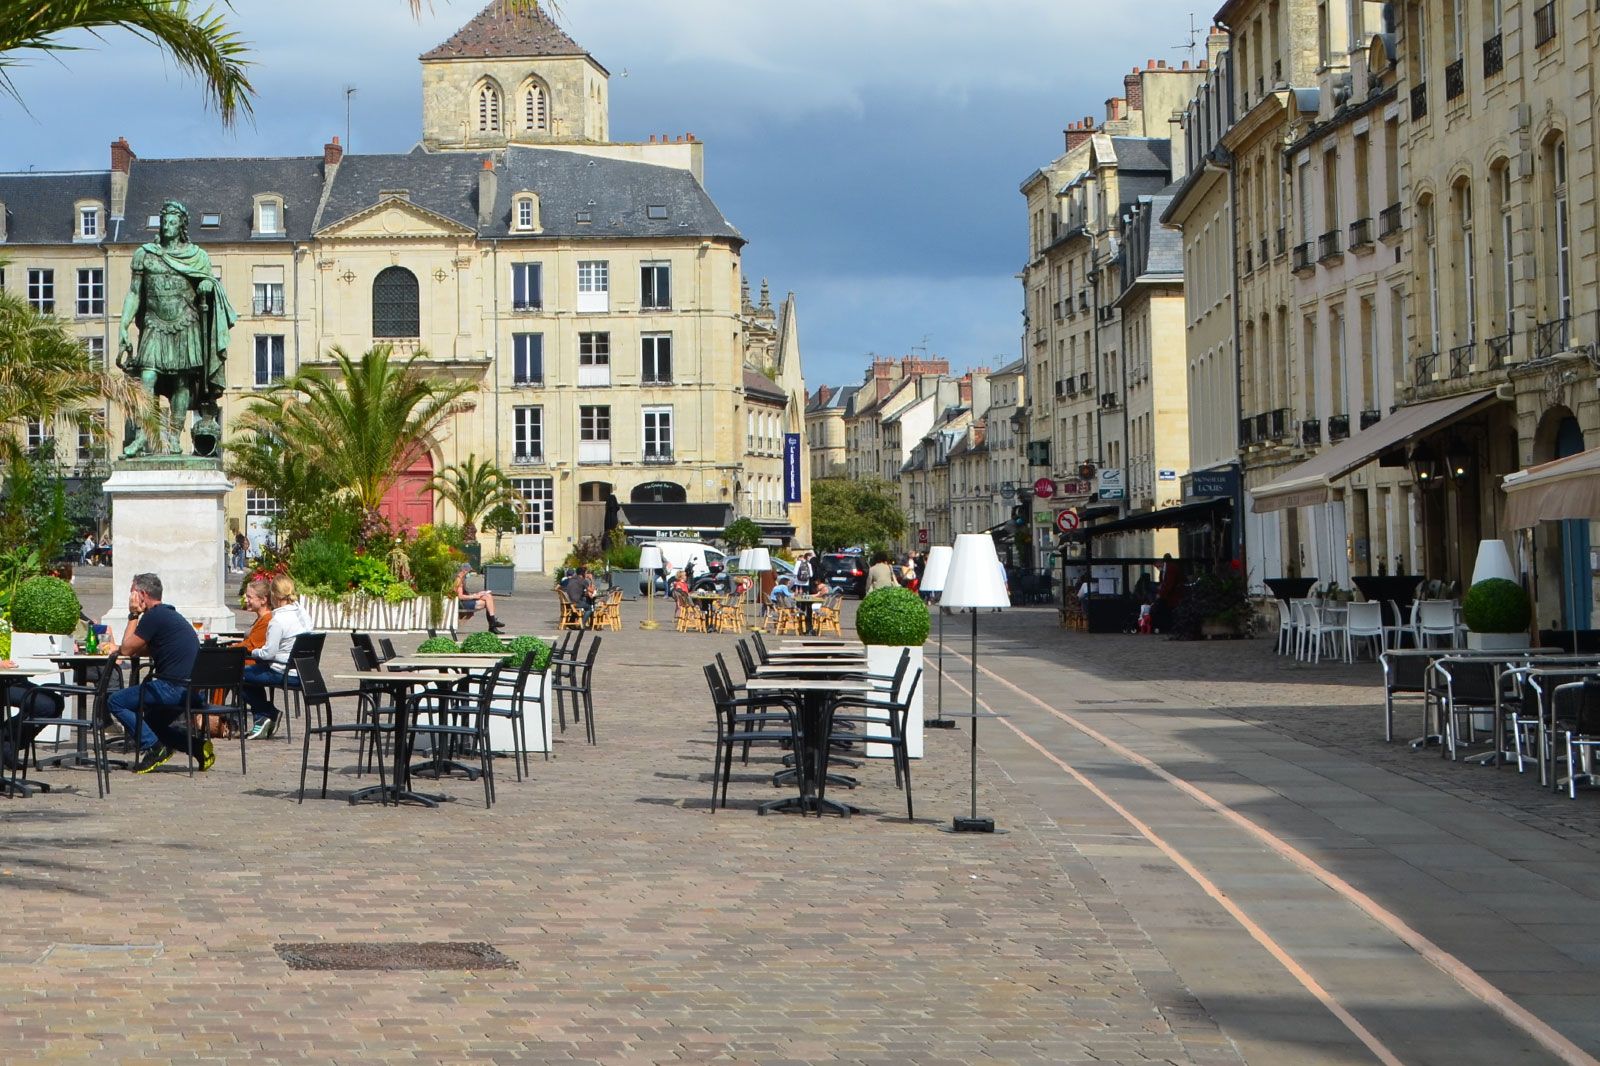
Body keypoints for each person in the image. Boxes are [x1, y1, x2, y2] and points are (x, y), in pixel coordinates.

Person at [117, 199, 237, 457]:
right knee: (147, 377)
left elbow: (210, 285)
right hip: (153, 323)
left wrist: (207, 285)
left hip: (185, 322)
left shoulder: (197, 257)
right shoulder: (145, 254)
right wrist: (123, 325)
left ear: (182, 225)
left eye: (173, 222)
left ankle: (173, 438)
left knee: (181, 383)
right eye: (164, 222)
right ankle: (144, 436)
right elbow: (134, 293)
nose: (167, 226)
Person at [103, 572, 208, 773]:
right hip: (191, 691)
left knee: (116, 701)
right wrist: (122, 646)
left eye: (132, 592)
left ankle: (153, 747)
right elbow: (141, 648)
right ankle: (197, 747)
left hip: (173, 687)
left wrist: (133, 614)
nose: (130, 597)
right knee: (150, 723)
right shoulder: (168, 615)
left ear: (142, 594)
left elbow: (127, 650)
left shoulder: (153, 616)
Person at [240, 575, 312, 738]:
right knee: (253, 672)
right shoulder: (303, 614)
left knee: (239, 674)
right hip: (303, 671)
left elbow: (268, 653)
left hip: (283, 672)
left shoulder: (277, 620)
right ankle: (264, 715)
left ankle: (265, 714)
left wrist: (252, 652)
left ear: (273, 596)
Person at [0, 669, 67, 772]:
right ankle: (6, 742)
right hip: (4, 683)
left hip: (14, 680)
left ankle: (7, 743)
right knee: (46, 706)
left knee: (57, 702)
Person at [454, 564, 506, 633]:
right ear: (464, 571)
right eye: (469, 572)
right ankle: (492, 624)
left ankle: (493, 624)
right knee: (487, 602)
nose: (469, 574)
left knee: (488, 596)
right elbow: (460, 596)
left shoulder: (462, 579)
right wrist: (474, 596)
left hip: (465, 601)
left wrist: (477, 594)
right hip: (462, 603)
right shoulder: (459, 580)